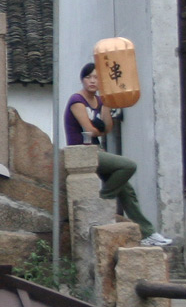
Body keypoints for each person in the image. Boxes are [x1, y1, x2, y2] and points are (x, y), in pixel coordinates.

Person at [64, 61, 170, 247]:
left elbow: (107, 129)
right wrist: (98, 129)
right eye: (88, 77)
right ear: (82, 80)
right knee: (128, 166)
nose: (92, 81)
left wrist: (106, 104)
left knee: (127, 191)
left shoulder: (100, 101)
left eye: (96, 77)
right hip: (81, 152)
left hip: (96, 150)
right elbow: (89, 130)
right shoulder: (77, 100)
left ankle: (148, 233)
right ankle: (104, 199)